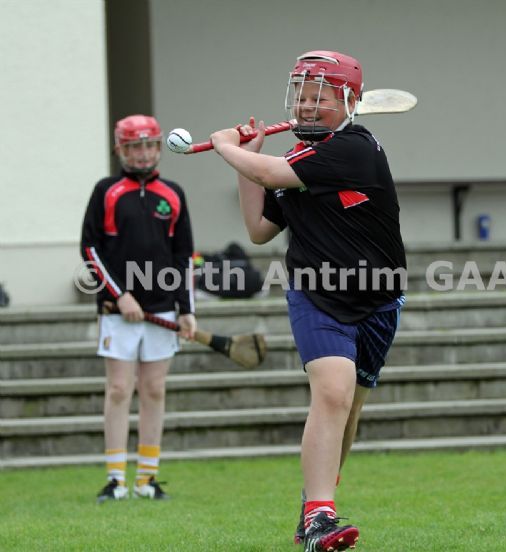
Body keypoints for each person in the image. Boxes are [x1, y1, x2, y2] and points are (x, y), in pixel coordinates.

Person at [209, 51, 407, 551]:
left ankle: (314, 503)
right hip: (315, 293)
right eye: (302, 95)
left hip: (378, 300)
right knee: (334, 393)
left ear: (349, 103)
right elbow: (259, 229)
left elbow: (271, 174)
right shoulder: (299, 158)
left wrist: (227, 147)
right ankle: (321, 517)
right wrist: (246, 159)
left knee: (349, 410)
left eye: (321, 97)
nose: (307, 105)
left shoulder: (355, 147)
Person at [80, 114, 196, 503]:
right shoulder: (106, 191)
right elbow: (90, 249)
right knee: (118, 389)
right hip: (118, 310)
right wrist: (121, 295)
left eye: (149, 145)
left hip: (162, 310)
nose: (143, 154)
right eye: (134, 147)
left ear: (159, 147)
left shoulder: (173, 193)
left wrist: (186, 309)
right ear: (120, 150)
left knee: (154, 389)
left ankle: (147, 479)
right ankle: (116, 479)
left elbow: (183, 256)